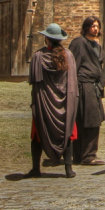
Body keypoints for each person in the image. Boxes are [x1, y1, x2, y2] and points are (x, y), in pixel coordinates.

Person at [28, 23, 78, 178]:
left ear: (46, 39)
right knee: (67, 132)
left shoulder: (38, 57)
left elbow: (34, 82)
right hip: (65, 103)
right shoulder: (68, 55)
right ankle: (68, 170)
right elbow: (73, 82)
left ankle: (36, 169)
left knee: (38, 134)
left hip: (44, 104)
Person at [70, 16, 105, 165]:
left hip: (94, 86)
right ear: (86, 28)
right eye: (92, 26)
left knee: (94, 120)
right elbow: (73, 65)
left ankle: (88, 154)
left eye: (97, 26)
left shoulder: (98, 47)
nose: (95, 28)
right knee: (83, 120)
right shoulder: (79, 43)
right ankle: (84, 156)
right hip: (83, 85)